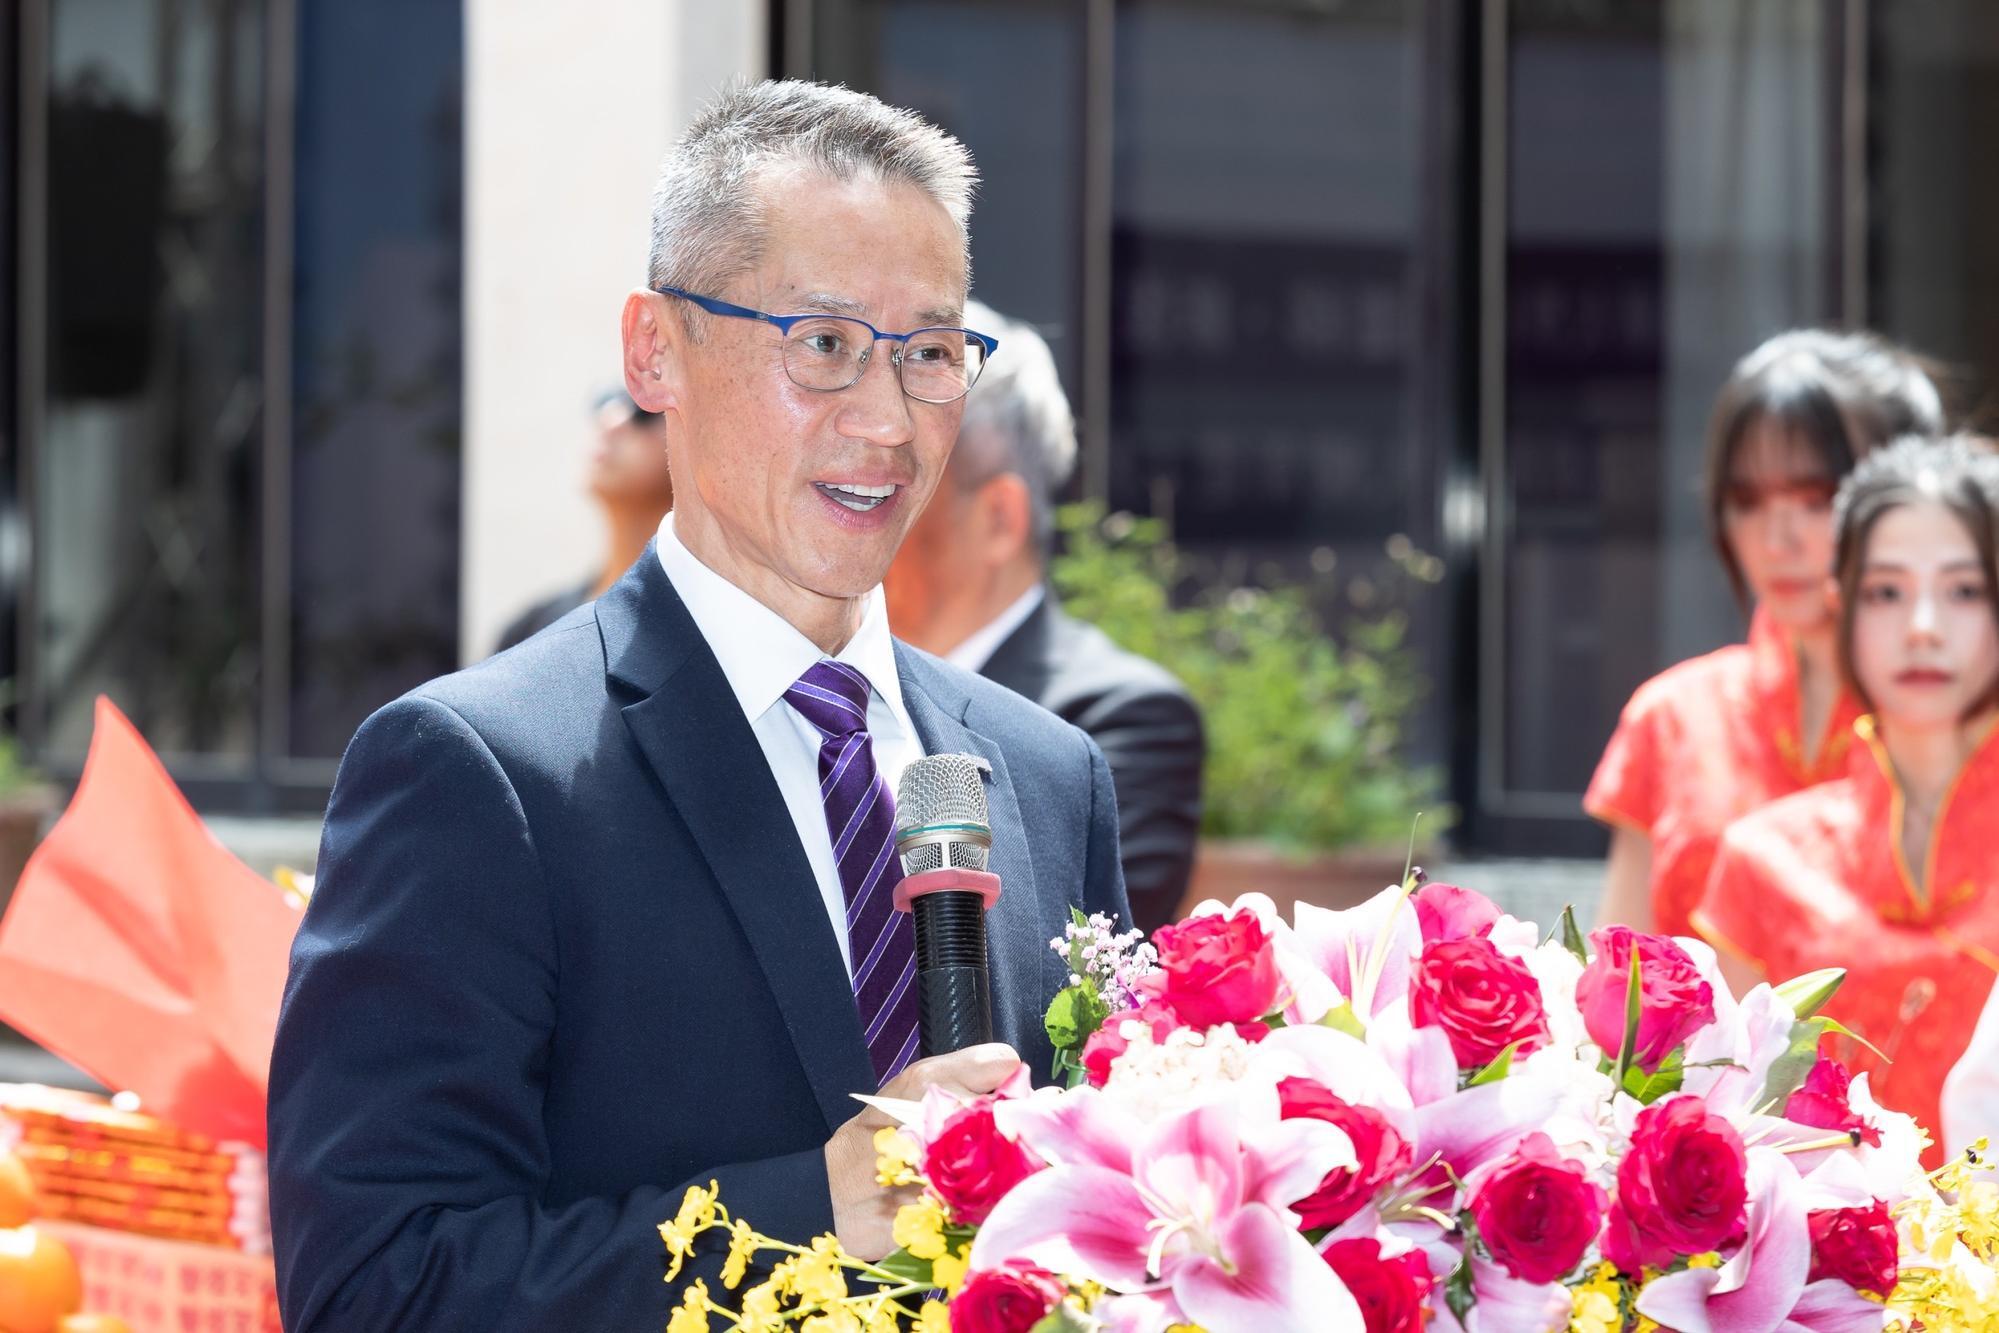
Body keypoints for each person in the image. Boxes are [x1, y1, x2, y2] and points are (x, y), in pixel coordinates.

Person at [267, 81, 1130, 1331]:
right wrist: (817, 1210)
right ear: (656, 351)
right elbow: (373, 1286)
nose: (888, 420)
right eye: (823, 344)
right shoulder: (482, 772)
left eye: (931, 354)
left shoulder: (1048, 777)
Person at [1585, 330, 1943, 937]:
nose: (1778, 541)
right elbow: (1615, 976)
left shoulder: (1963, 723)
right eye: (1747, 501)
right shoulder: (1673, 717)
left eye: (1817, 499)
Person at [1698, 435, 1999, 1157]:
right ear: (1840, 604)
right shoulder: (1762, 859)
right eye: (1886, 592)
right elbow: (1726, 1135)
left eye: (1963, 590)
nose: (1922, 628)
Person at [885, 301, 1203, 932]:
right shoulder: (828, 696)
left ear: (999, 519)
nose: (862, 501)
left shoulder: (1119, 719)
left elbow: (1059, 963)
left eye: (901, 478)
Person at [491, 387, 675, 653]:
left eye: (643, 411)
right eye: (604, 402)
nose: (612, 420)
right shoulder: (531, 630)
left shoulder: (716, 620)